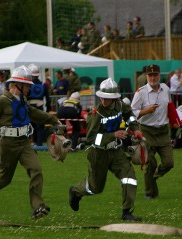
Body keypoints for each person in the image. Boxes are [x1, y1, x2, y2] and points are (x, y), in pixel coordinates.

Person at [0, 65, 60, 220]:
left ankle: (38, 207)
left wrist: (53, 119)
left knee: (36, 169)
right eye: (27, 86)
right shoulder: (2, 101)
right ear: (17, 85)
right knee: (5, 179)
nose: (30, 89)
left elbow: (34, 113)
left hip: (24, 143)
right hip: (8, 144)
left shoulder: (23, 100)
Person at [69, 78, 143, 221]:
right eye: (102, 97)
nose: (103, 100)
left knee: (129, 177)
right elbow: (90, 140)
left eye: (107, 98)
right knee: (95, 188)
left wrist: (135, 129)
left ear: (115, 98)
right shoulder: (96, 114)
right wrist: (113, 135)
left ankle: (127, 212)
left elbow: (130, 116)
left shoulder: (121, 106)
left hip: (115, 151)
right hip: (98, 154)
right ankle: (75, 191)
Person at [131, 64, 174, 199]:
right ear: (146, 76)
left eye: (155, 75)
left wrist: (175, 121)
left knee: (168, 163)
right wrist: (145, 111)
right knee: (150, 162)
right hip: (146, 131)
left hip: (163, 132)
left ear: (159, 75)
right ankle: (150, 193)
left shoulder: (166, 89)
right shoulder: (141, 92)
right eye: (150, 75)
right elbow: (132, 113)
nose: (153, 78)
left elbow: (170, 107)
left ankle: (154, 177)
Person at [27, 63, 51, 146]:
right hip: (40, 107)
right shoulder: (43, 85)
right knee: (40, 126)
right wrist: (48, 109)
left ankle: (33, 142)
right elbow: (48, 99)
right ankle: (39, 143)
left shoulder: (28, 85)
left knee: (31, 125)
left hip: (30, 107)